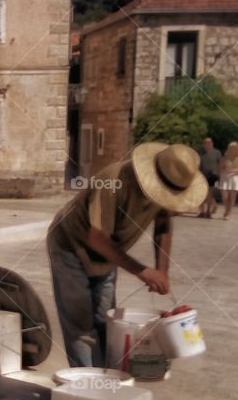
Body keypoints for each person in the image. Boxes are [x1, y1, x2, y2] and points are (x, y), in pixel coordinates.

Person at [46, 143, 208, 367]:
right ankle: (86, 387)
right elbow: (97, 237)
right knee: (81, 325)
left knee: (106, 320)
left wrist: (162, 271)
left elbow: (163, 225)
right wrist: (143, 272)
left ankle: (105, 378)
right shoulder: (113, 181)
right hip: (70, 245)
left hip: (107, 255)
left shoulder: (165, 190)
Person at [218, 142, 238, 221]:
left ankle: (228, 213)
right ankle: (226, 209)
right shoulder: (224, 158)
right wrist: (225, 170)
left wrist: (234, 171)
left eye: (235, 148)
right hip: (225, 178)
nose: (233, 149)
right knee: (224, 196)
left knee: (232, 197)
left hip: (234, 178)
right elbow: (220, 169)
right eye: (232, 148)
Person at [197, 137, 221, 218]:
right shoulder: (199, 152)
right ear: (203, 144)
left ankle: (208, 212)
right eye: (205, 143)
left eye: (209, 142)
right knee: (201, 195)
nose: (207, 144)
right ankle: (201, 212)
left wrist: (219, 175)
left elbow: (219, 164)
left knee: (210, 194)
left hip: (212, 176)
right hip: (201, 176)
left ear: (212, 143)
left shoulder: (217, 152)